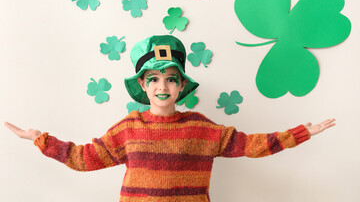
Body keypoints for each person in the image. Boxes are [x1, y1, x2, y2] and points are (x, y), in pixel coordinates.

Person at [5, 35, 335, 202]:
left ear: (181, 86)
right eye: (154, 79)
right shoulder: (128, 128)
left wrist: (299, 133)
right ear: (143, 86)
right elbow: (83, 159)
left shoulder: (202, 128)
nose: (163, 86)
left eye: (171, 79)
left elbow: (251, 145)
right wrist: (40, 139)